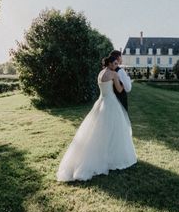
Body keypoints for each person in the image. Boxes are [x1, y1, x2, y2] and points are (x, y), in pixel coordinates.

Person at [56, 54, 137, 182]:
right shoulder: (114, 74)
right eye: (115, 64)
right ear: (110, 64)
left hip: (101, 102)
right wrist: (124, 81)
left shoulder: (100, 73)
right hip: (111, 103)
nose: (116, 66)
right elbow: (120, 90)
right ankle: (113, 158)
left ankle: (98, 155)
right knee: (115, 131)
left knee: (98, 131)